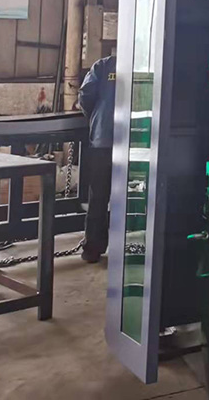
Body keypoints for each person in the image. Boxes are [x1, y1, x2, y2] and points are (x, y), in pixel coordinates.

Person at [78, 54, 117, 264]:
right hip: (137, 142)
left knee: (99, 197)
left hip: (103, 140)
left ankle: (92, 249)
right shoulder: (144, 64)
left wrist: (97, 118)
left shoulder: (103, 66)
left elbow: (86, 95)